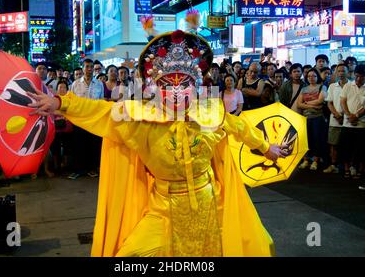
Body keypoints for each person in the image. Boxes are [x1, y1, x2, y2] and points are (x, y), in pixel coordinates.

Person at [28, 30, 288, 257]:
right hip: (163, 209)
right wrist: (62, 104)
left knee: (257, 244)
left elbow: (240, 127)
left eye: (184, 84)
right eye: (167, 85)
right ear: (154, 89)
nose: (176, 92)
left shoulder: (211, 112)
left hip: (211, 204)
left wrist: (267, 148)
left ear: (196, 85)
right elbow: (101, 111)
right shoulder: (139, 118)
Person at [297, 68, 328, 171]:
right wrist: (314, 105)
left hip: (318, 118)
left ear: (317, 77)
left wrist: (307, 103)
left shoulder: (322, 87)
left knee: (317, 140)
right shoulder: (304, 89)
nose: (311, 78)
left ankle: (315, 161)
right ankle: (306, 160)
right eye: (309, 76)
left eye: (314, 76)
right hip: (306, 118)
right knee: (306, 140)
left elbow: (320, 100)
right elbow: (299, 104)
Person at [323, 63, 349, 174]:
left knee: (347, 145)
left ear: (347, 72)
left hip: (348, 121)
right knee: (333, 144)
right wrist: (337, 114)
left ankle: (346, 166)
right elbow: (329, 103)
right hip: (334, 120)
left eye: (343, 71)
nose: (341, 73)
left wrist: (344, 115)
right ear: (336, 72)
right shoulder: (332, 86)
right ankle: (333, 165)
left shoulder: (352, 85)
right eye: (339, 71)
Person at [340, 64, 365, 180]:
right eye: (357, 76)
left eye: (362, 76)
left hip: (362, 123)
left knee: (361, 150)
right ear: (354, 74)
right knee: (346, 148)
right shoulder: (348, 86)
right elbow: (343, 102)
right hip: (347, 122)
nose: (359, 79)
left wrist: (357, 116)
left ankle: (360, 170)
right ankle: (346, 169)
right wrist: (350, 115)